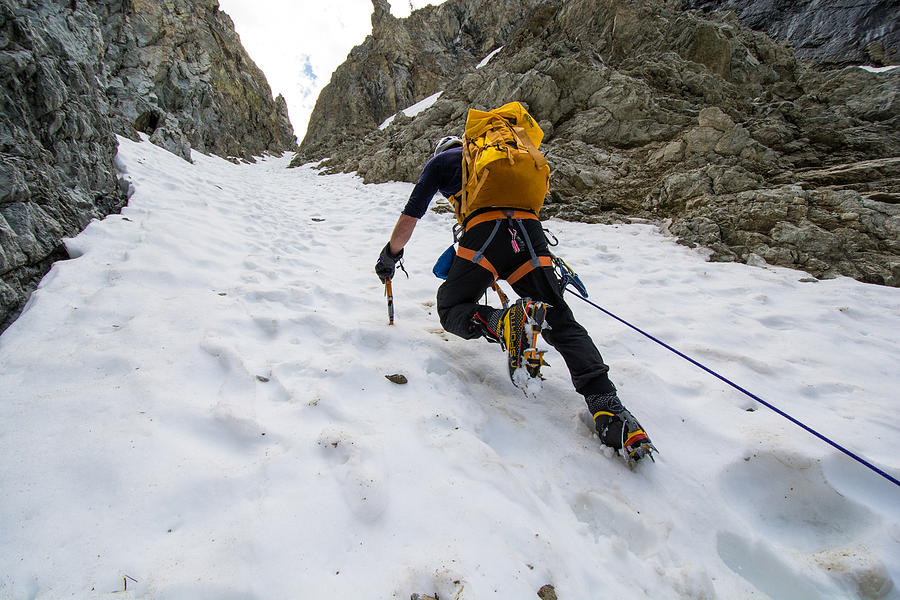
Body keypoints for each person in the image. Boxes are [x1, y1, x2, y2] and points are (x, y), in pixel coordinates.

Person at [375, 135, 655, 461]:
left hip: (484, 233)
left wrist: (389, 257)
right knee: (559, 318)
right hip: (529, 232)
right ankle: (609, 409)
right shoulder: (507, 158)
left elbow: (410, 217)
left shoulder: (441, 163)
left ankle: (503, 323)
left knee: (451, 306)